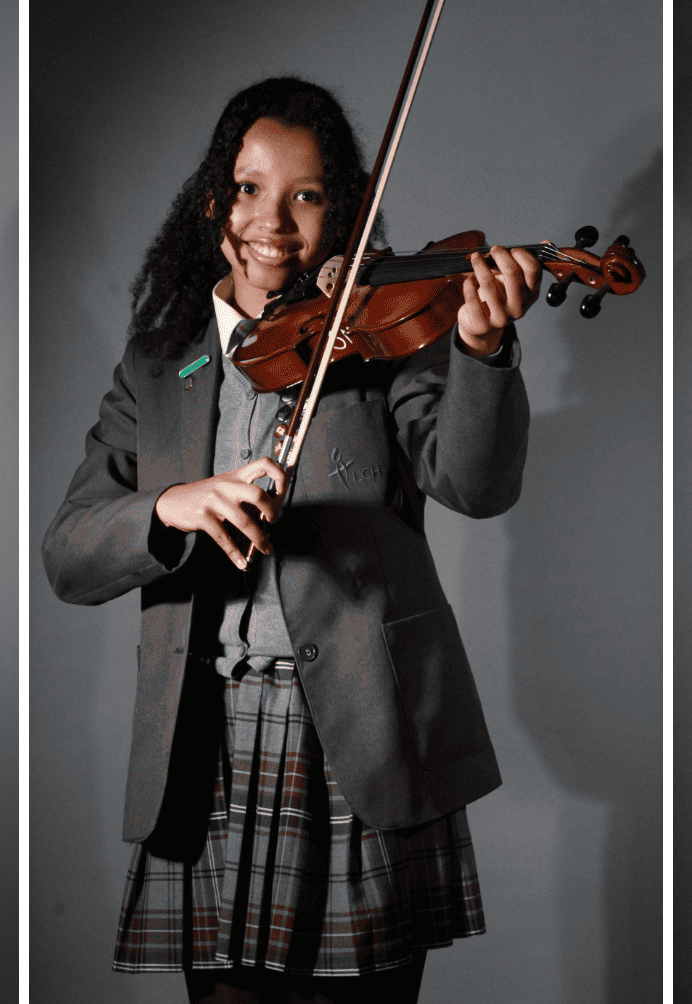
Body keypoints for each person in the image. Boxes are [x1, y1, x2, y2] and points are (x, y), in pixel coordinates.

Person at [43, 76, 540, 1004]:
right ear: (211, 204)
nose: (274, 221)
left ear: (340, 213)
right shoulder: (159, 364)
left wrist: (480, 351)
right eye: (247, 188)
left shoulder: (382, 340)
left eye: (307, 195)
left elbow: (476, 483)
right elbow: (68, 553)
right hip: (210, 749)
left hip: (361, 731)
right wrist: (169, 508)